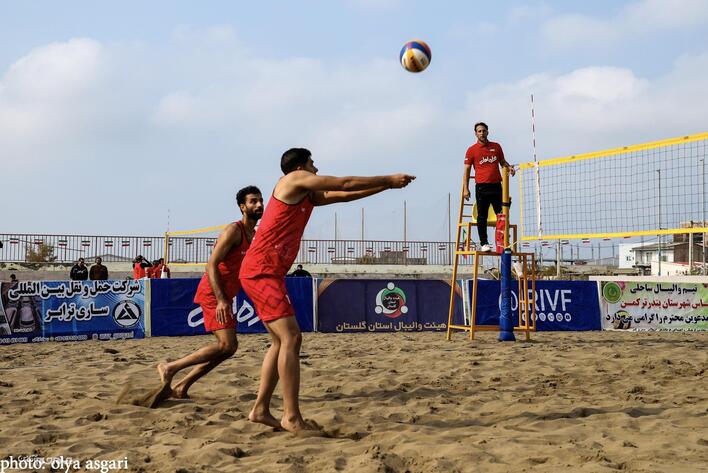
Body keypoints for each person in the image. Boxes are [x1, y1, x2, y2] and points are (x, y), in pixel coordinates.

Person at [240, 148, 415, 432]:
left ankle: (260, 409)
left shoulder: (304, 195)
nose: (316, 168)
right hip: (261, 271)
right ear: (299, 168)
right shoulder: (291, 182)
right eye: (312, 164)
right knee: (292, 338)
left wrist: (385, 187)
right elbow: (342, 183)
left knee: (280, 342)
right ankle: (291, 416)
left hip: (267, 272)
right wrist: (388, 177)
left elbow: (343, 195)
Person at [157, 186, 264, 401]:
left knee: (228, 349)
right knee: (227, 345)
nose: (259, 205)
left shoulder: (254, 234)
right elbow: (211, 264)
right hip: (213, 293)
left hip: (226, 294)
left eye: (261, 201)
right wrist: (222, 300)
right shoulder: (234, 230)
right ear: (243, 207)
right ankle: (170, 367)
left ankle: (181, 386)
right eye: (253, 201)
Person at [462, 122, 515, 252]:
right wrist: (465, 188)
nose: (482, 133)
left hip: (497, 186)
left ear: (488, 132)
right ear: (475, 133)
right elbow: (467, 171)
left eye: (484, 131)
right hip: (481, 187)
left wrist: (509, 168)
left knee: (501, 214)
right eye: (479, 131)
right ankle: (484, 243)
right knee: (482, 216)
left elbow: (503, 163)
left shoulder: (496, 147)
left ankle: (502, 242)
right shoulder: (471, 150)